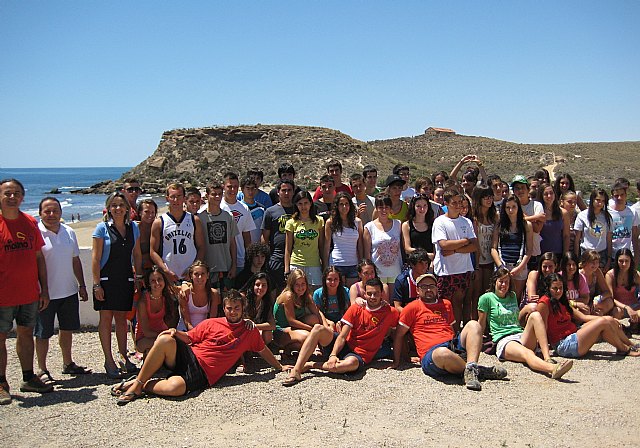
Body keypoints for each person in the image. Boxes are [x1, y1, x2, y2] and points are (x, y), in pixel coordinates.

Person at [111, 290, 292, 404]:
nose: (233, 311)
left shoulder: (248, 330)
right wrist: (174, 331)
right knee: (166, 339)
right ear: (225, 309)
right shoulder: (211, 323)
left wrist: (279, 367)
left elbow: (263, 350)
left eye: (236, 307)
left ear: (242, 308)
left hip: (203, 374)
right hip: (189, 355)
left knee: (175, 390)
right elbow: (189, 339)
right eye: (229, 308)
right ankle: (137, 384)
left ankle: (141, 385)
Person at [389, 273, 507, 391]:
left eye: (432, 286)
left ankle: (471, 368)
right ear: (417, 290)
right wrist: (399, 360)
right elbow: (399, 335)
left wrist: (461, 343)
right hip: (432, 354)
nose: (429, 289)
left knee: (474, 325)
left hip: (452, 345)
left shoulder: (446, 304)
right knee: (442, 353)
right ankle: (479, 370)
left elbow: (452, 330)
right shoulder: (411, 308)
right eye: (424, 287)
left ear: (437, 288)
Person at [283, 277, 399, 385]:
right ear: (364, 293)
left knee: (349, 365)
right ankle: (296, 370)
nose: (373, 297)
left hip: (359, 355)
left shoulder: (390, 312)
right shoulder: (356, 308)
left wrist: (400, 358)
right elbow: (343, 335)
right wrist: (333, 354)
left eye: (376, 293)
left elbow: (398, 334)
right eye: (369, 293)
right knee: (318, 328)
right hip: (345, 344)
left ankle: (311, 365)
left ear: (382, 294)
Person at [0, 179, 53, 404]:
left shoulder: (30, 222)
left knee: (25, 334)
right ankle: (1, 383)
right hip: (3, 295)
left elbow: (38, 257)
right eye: (8, 193)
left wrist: (44, 289)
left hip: (29, 293)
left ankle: (28, 377)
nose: (12, 197)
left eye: (17, 193)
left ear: (22, 197)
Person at [478, 267, 573, 379]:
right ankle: (552, 369)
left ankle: (547, 357)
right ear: (495, 282)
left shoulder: (512, 296)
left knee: (535, 315)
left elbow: (516, 319)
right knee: (527, 353)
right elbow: (481, 324)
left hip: (519, 334)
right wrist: (477, 343)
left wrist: (526, 310)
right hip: (504, 339)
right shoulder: (486, 298)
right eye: (501, 281)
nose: (504, 285)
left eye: (507, 282)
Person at [35, 197, 90, 384]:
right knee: (43, 333)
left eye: (55, 211)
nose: (51, 215)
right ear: (40, 213)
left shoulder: (69, 231)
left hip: (68, 291)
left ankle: (68, 363)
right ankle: (42, 370)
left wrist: (81, 285)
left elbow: (75, 260)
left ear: (60, 212)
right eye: (47, 211)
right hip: (45, 294)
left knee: (67, 330)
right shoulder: (35, 233)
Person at [92, 191, 143, 378]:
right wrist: (96, 285)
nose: (118, 208)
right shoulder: (101, 228)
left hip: (125, 279)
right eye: (114, 205)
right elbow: (95, 259)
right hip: (106, 280)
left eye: (121, 205)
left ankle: (123, 356)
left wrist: (138, 276)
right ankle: (109, 360)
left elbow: (136, 255)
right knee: (106, 319)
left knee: (122, 319)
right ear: (109, 208)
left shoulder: (133, 229)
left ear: (128, 209)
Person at [537, 273, 640, 358]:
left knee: (608, 320)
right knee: (603, 322)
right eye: (555, 288)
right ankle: (624, 349)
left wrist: (610, 319)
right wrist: (544, 350)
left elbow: (583, 317)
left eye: (560, 288)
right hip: (563, 344)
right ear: (548, 289)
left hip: (573, 334)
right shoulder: (544, 303)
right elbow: (542, 328)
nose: (558, 291)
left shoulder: (562, 300)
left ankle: (630, 344)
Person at [432, 188, 478, 330]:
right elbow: (443, 245)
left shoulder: (466, 222)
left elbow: (475, 245)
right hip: (445, 271)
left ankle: (456, 334)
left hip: (463, 269)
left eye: (460, 202)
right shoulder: (440, 222)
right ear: (446, 203)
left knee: (458, 303)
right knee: (445, 304)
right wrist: (464, 241)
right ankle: (444, 334)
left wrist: (455, 249)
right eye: (454, 203)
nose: (458, 206)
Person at [150, 183, 204, 283]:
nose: (176, 200)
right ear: (167, 199)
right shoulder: (159, 222)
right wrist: (165, 270)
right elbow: (153, 251)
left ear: (184, 198)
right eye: (172, 197)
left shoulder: (194, 220)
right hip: (169, 276)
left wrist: (193, 269)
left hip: (190, 276)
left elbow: (201, 247)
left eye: (179, 196)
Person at [198, 182, 239, 291]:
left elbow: (233, 244)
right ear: (207, 196)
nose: (217, 197)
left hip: (226, 267)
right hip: (207, 269)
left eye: (219, 194)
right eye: (214, 194)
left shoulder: (228, 216)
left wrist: (234, 265)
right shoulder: (199, 218)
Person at [491, 194, 533, 302]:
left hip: (519, 267)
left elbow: (529, 250)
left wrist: (519, 267)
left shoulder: (526, 225)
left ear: (518, 208)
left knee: (516, 299)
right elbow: (493, 248)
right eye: (507, 207)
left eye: (514, 207)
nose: (511, 210)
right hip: (502, 266)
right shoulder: (499, 225)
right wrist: (500, 266)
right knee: (501, 298)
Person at [272, 269, 323, 356]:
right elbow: (291, 321)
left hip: (294, 327)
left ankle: (291, 346)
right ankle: (283, 345)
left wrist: (326, 327)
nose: (300, 288)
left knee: (314, 319)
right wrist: (312, 330)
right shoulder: (288, 296)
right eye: (297, 285)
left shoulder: (306, 296)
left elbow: (318, 312)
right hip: (282, 329)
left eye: (303, 284)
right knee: (307, 337)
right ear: (292, 285)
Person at [284, 190, 325, 289]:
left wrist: (324, 265)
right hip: (296, 263)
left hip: (314, 264)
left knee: (314, 294)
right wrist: (286, 269)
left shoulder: (319, 221)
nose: (303, 207)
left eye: (306, 203)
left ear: (311, 204)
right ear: (296, 205)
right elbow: (288, 248)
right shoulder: (291, 222)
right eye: (300, 204)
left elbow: (321, 245)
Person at [134, 267, 178, 357]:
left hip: (162, 334)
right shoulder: (143, 302)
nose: (157, 283)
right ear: (149, 284)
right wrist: (165, 334)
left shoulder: (167, 298)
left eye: (159, 279)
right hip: (145, 338)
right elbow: (146, 331)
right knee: (166, 343)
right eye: (153, 281)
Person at [323, 192, 363, 287]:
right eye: (341, 204)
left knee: (351, 295)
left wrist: (361, 263)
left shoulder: (358, 222)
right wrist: (325, 266)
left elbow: (360, 245)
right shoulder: (330, 222)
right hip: (336, 264)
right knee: (338, 294)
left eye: (346, 204)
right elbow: (327, 246)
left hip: (353, 264)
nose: (344, 206)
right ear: (337, 206)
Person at [363, 194, 403, 289]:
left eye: (386, 207)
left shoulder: (398, 224)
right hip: (378, 273)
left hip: (395, 271)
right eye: (381, 207)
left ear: (390, 209)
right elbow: (367, 254)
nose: (384, 210)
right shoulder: (369, 227)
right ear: (376, 208)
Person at [261, 179, 296, 289]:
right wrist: (267, 258)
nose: (286, 193)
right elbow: (265, 237)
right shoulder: (270, 212)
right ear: (278, 192)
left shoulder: (299, 209)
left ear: (293, 192)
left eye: (289, 190)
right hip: (276, 258)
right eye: (284, 190)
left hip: (297, 257)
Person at [221, 172, 256, 272]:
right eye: (229, 187)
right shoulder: (217, 207)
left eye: (235, 187)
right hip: (221, 260)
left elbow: (247, 236)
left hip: (240, 260)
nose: (233, 190)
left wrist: (249, 259)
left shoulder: (244, 208)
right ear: (223, 187)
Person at [511, 175, 545, 271]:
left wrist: (521, 217)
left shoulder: (537, 205)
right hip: (516, 254)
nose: (520, 191)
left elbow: (537, 228)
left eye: (522, 188)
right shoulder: (511, 207)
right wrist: (536, 217)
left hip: (534, 253)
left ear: (528, 189)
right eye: (517, 188)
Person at [574, 188, 612, 270]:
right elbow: (577, 240)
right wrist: (577, 259)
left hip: (602, 254)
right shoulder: (582, 216)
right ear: (592, 200)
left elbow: (609, 239)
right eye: (597, 200)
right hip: (586, 253)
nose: (600, 203)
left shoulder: (607, 217)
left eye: (603, 201)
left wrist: (609, 259)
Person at [177, 261, 220, 331]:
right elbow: (187, 323)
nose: (200, 277)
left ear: (208, 275)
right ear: (191, 276)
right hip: (186, 331)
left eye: (203, 274)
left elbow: (212, 320)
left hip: (205, 330)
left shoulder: (213, 294)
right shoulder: (185, 293)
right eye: (196, 274)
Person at [472, 185, 498, 301]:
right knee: (476, 293)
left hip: (490, 259)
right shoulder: (474, 218)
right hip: (477, 261)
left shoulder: (495, 217)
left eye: (491, 197)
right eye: (485, 197)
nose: (489, 200)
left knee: (488, 292)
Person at [604, 249, 640, 323]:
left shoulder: (635, 275)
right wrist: (626, 307)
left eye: (627, 261)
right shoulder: (610, 275)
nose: (624, 264)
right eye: (621, 261)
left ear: (631, 261)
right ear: (616, 261)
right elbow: (611, 297)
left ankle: (634, 325)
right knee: (616, 312)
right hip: (619, 307)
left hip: (635, 305)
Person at [608, 181, 639, 267]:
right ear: (612, 197)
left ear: (626, 195)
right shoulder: (607, 212)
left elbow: (635, 236)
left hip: (626, 255)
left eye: (622, 195)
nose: (619, 198)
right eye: (616, 195)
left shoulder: (632, 212)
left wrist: (636, 257)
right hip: (611, 256)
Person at [241, 272, 276, 344]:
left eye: (264, 285)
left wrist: (254, 326)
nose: (260, 288)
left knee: (268, 334)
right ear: (252, 286)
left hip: (254, 329)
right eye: (257, 285)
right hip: (241, 329)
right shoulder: (243, 298)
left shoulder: (266, 301)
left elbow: (272, 325)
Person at [537, 183, 570, 259]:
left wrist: (565, 255)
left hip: (558, 254)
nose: (549, 196)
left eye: (551, 193)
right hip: (540, 255)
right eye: (546, 194)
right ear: (541, 195)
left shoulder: (563, 213)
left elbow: (566, 236)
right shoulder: (537, 213)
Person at [401, 193, 435, 260]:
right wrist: (426, 255)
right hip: (413, 264)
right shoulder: (406, 225)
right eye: (418, 206)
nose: (422, 209)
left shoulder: (434, 224)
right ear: (413, 207)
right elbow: (407, 249)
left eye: (425, 205)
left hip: (431, 265)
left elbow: (435, 249)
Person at [579, 249, 613, 314]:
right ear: (585, 262)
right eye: (592, 262)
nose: (595, 265)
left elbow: (608, 292)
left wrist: (599, 298)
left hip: (594, 302)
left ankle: (597, 314)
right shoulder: (579, 274)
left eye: (597, 262)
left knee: (609, 302)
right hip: (582, 302)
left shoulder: (597, 272)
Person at [239, 175, 266, 244]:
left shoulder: (262, 209)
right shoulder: (238, 209)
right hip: (241, 250)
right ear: (242, 189)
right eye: (248, 188)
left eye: (253, 188)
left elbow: (264, 231)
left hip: (257, 249)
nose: (250, 192)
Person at [136, 199, 158, 276]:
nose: (150, 215)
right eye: (146, 212)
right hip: (139, 269)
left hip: (157, 269)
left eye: (153, 212)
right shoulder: (135, 229)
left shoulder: (159, 228)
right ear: (139, 213)